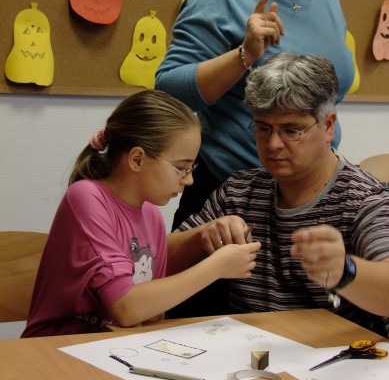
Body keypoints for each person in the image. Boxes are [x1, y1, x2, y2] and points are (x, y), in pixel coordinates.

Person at [155, 0, 353, 316]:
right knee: (204, 335)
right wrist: (243, 54)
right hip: (230, 202)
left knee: (303, 336)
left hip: (310, 198)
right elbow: (168, 89)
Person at [168, 53, 389, 341]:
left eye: (291, 130)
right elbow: (153, 263)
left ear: (328, 126)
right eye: (263, 128)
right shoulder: (239, 191)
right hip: (255, 354)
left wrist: (345, 269)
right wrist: (202, 236)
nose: (273, 144)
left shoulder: (366, 199)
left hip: (345, 358)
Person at [22, 90, 260, 337]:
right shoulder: (85, 197)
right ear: (137, 159)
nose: (189, 180)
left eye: (192, 168)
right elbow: (128, 308)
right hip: (56, 346)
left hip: (114, 344)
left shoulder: (151, 214)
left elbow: (148, 311)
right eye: (181, 167)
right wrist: (217, 267)